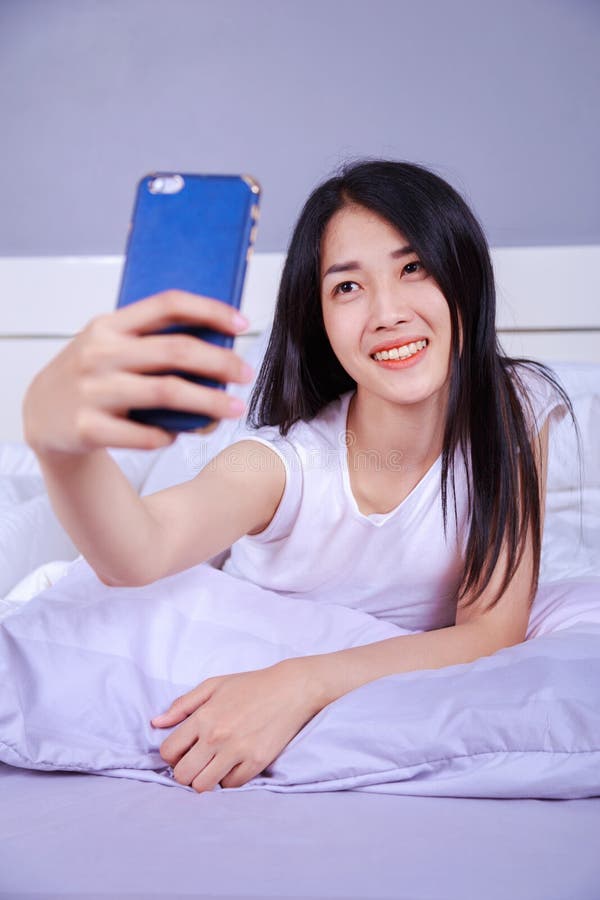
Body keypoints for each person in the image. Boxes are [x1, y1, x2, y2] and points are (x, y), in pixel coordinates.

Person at [22, 158, 578, 793]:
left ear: (464, 273)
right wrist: (59, 446)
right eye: (347, 287)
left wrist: (302, 682)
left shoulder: (517, 406)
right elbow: (139, 552)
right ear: (317, 316)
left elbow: (492, 629)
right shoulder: (283, 463)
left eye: (413, 267)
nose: (387, 311)